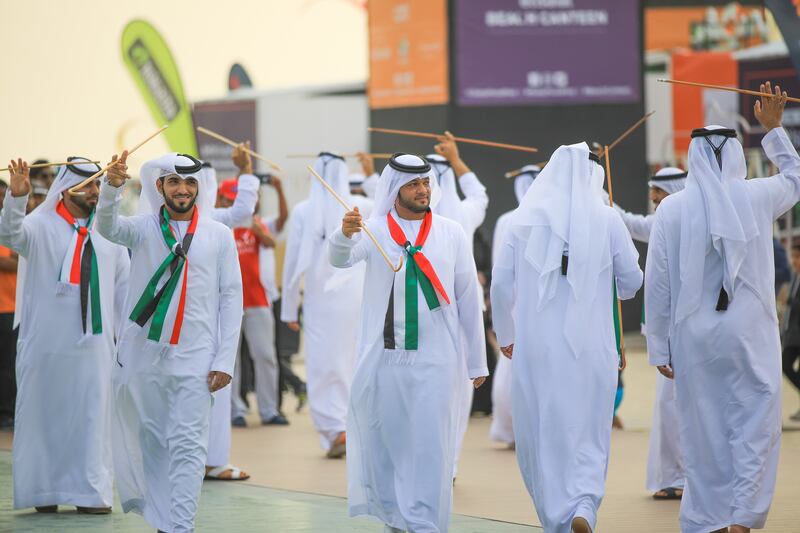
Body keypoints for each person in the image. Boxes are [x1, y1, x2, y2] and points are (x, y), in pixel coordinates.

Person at [645, 82, 797, 533]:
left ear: (691, 157)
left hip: (694, 336)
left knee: (702, 428)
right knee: (755, 422)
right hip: (749, 332)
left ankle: (707, 517)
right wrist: (773, 130)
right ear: (733, 154)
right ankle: (743, 517)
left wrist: (659, 348)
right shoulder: (757, 195)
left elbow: (659, 287)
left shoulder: (671, 210)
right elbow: (797, 177)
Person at [329, 153, 487, 533]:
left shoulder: (450, 231)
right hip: (387, 357)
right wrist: (344, 233)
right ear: (395, 189)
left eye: (426, 183)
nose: (422, 190)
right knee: (391, 441)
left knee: (431, 443)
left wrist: (477, 362)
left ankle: (424, 521)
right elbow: (340, 261)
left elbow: (468, 296)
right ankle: (397, 517)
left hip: (438, 358)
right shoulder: (375, 229)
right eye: (413, 184)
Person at [491, 144, 642, 533]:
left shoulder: (520, 221)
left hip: (537, 348)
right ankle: (584, 504)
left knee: (543, 428)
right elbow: (632, 283)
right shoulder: (607, 218)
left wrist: (505, 334)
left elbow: (501, 285)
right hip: (593, 348)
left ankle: (557, 515)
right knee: (589, 429)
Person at [98, 151, 242, 533]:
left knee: (190, 446)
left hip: (197, 361)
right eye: (174, 182)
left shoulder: (218, 235)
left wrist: (224, 360)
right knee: (153, 443)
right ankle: (164, 520)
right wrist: (110, 188)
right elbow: (107, 228)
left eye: (190, 182)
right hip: (144, 358)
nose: (182, 189)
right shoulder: (142, 228)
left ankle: (181, 525)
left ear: (199, 188)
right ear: (159, 186)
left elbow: (232, 299)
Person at [0, 158, 130, 514]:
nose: (93, 192)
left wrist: (126, 343)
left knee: (92, 416)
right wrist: (16, 198)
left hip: (95, 346)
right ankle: (44, 491)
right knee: (43, 415)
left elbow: (124, 289)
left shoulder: (110, 229)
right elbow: (8, 236)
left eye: (97, 185)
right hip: (45, 344)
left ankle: (91, 493)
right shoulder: (39, 225)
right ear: (67, 186)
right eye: (87, 185)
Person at [281, 152, 372, 458]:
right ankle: (349, 429)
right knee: (351, 360)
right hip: (355, 299)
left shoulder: (303, 210)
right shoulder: (363, 206)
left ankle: (335, 430)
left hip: (321, 301)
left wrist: (289, 308)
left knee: (322, 364)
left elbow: (293, 262)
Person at [613, 166, 689, 500]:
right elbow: (628, 222)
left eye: (658, 191)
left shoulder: (685, 221)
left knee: (676, 406)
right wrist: (601, 193)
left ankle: (681, 478)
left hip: (684, 328)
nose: (653, 197)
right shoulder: (661, 220)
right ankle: (674, 477)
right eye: (652, 191)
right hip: (668, 333)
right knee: (668, 405)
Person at [426, 132, 489, 478]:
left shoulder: (410, 220)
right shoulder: (465, 213)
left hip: (426, 318)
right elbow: (480, 194)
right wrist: (456, 158)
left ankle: (437, 464)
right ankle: (448, 464)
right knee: (458, 396)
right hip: (465, 318)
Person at [198, 149, 260, 482]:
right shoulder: (156, 226)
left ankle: (213, 461)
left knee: (216, 394)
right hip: (177, 326)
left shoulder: (215, 221)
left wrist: (247, 171)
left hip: (211, 323)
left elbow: (243, 210)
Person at [221, 173, 290, 428]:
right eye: (231, 200)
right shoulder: (220, 225)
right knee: (231, 360)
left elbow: (279, 227)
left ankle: (269, 410)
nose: (235, 206)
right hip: (227, 303)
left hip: (258, 299)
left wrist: (279, 189)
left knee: (266, 356)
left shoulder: (258, 223)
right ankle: (234, 410)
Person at [489, 165, 539, 448]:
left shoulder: (507, 220)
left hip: (512, 301)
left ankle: (512, 428)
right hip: (531, 302)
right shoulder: (522, 220)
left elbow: (499, 272)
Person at [0, 179, 17, 430]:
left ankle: (5, 412)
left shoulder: (13, 228)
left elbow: (17, 262)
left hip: (8, 306)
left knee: (7, 364)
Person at [783, 244, 800, 421]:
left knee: (786, 364)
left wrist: (790, 302)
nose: (794, 261)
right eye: (793, 257)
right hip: (793, 333)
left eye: (797, 257)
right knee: (786, 366)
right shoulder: (795, 277)